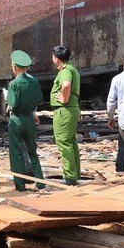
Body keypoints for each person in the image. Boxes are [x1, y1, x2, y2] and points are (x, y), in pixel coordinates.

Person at [6, 50, 45, 192]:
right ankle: (40, 182)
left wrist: (7, 98)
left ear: (14, 67)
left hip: (16, 119)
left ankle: (20, 184)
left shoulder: (14, 84)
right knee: (32, 151)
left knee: (16, 153)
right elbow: (40, 100)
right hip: (29, 118)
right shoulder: (34, 82)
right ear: (27, 68)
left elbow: (13, 103)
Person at [49, 45, 81, 185]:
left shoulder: (65, 70)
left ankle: (69, 176)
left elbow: (66, 84)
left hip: (64, 109)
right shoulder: (71, 68)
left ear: (56, 58)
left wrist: (64, 99)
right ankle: (75, 173)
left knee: (64, 142)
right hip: (71, 109)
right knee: (71, 141)